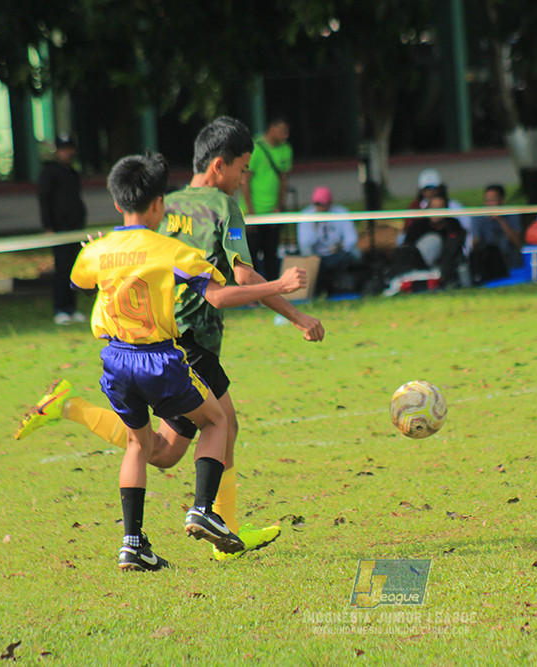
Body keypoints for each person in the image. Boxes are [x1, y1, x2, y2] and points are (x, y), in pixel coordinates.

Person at [16, 116, 325, 562]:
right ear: (219, 166)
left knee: (160, 452)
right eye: (242, 168)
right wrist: (291, 306)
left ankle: (70, 408)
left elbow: (106, 264)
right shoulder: (221, 208)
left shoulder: (165, 204)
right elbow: (236, 280)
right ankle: (222, 526)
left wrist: (101, 250)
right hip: (180, 344)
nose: (245, 178)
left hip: (131, 347)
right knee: (222, 424)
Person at [38, 134, 88, 325]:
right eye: (64, 149)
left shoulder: (73, 173)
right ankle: (60, 309)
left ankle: (72, 308)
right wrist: (48, 226)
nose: (67, 153)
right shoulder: (49, 173)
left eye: (70, 149)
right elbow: (44, 201)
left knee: (73, 268)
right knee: (61, 268)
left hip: (75, 228)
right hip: (59, 229)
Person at [243, 116, 292, 280]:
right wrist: (250, 211)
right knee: (252, 255)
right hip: (254, 213)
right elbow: (245, 181)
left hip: (273, 212)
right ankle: (253, 293)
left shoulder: (286, 149)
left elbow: (283, 180)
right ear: (272, 128)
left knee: (272, 253)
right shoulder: (255, 148)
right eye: (282, 131)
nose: (285, 136)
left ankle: (273, 291)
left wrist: (279, 205)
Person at [392, 192, 467, 287]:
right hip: (418, 267)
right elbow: (407, 248)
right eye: (433, 208)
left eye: (439, 208)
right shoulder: (418, 226)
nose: (436, 212)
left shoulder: (453, 225)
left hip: (444, 267)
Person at [297, 186, 362, 294]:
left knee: (355, 255)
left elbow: (352, 238)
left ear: (330, 204)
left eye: (322, 205)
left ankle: (343, 287)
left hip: (337, 254)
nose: (320, 208)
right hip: (316, 256)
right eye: (317, 205)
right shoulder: (307, 216)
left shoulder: (341, 213)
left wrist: (340, 246)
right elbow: (304, 244)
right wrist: (314, 227)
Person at [469, 184, 522, 284]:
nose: (489, 204)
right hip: (488, 260)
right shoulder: (478, 217)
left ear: (502, 201)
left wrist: (500, 221)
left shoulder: (511, 214)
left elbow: (517, 242)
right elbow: (475, 243)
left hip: (510, 259)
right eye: (487, 200)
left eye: (493, 200)